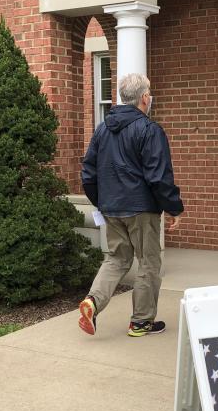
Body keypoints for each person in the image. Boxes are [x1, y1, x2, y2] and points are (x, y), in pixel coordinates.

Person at [77, 73, 185, 337]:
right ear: (145, 97)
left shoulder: (102, 129)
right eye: (149, 93)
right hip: (141, 209)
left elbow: (88, 173)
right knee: (148, 262)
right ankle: (141, 322)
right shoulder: (149, 130)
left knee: (116, 258)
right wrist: (174, 207)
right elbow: (158, 176)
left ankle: (93, 301)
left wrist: (102, 202)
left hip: (112, 208)